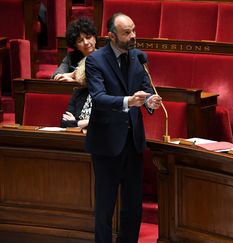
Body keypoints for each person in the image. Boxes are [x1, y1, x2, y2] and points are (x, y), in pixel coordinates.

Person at [85, 12, 162, 243]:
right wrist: (129, 101)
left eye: (134, 30)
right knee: (105, 208)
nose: (133, 36)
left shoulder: (139, 57)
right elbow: (98, 98)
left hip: (133, 143)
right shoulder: (95, 60)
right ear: (111, 36)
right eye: (127, 33)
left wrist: (150, 101)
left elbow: (147, 90)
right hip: (107, 144)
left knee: (133, 208)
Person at [52, 17, 97, 81]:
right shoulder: (70, 57)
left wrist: (73, 81)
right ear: (75, 45)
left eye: (88, 37)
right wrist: (72, 74)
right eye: (80, 41)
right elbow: (56, 76)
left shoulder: (103, 56)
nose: (86, 42)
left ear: (95, 38)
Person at [60, 57, 91, 128]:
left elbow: (104, 125)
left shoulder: (110, 95)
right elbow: (64, 123)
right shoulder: (79, 93)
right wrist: (87, 122)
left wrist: (76, 123)